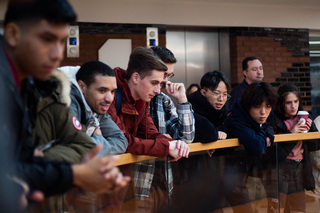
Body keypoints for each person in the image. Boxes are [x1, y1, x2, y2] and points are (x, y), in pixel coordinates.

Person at [0, 0, 130, 211]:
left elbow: (21, 161)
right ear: (14, 34)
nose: (58, 54)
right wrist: (75, 174)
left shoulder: (34, 84)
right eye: (47, 39)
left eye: (62, 41)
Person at [109, 46, 190, 212]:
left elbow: (152, 133)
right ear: (136, 77)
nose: (158, 90)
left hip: (122, 178)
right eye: (154, 83)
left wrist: (175, 143)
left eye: (160, 83)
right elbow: (122, 141)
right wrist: (167, 147)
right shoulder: (110, 94)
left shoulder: (141, 99)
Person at [134, 46, 193, 212]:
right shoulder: (132, 98)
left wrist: (182, 100)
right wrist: (164, 141)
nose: (165, 80)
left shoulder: (163, 100)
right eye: (163, 74)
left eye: (169, 75)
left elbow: (186, 137)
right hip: (137, 177)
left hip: (163, 175)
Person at [219, 82, 278, 213]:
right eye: (258, 107)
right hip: (223, 176)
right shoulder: (237, 119)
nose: (263, 112)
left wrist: (267, 131)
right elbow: (258, 147)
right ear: (248, 106)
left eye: (268, 106)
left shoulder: (256, 117)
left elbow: (270, 121)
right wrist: (263, 129)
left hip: (242, 174)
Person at [265, 83, 319, 213]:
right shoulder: (274, 120)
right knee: (277, 208)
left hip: (299, 167)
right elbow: (272, 153)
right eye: (289, 102)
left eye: (296, 101)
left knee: (298, 209)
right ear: (281, 104)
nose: (293, 106)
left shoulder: (304, 117)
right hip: (280, 168)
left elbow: (316, 146)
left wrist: (311, 129)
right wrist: (291, 134)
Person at [59, 61, 128, 156]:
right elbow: (69, 147)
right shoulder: (65, 101)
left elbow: (121, 141)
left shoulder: (96, 105)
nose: (109, 99)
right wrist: (99, 140)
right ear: (81, 86)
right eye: (102, 90)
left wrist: (94, 147)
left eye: (112, 91)